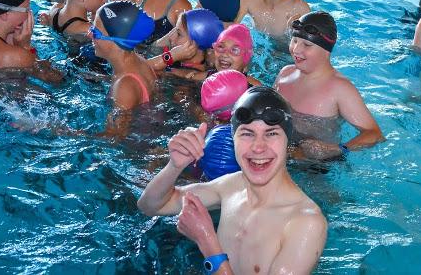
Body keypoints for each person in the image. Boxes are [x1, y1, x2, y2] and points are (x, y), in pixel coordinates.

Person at [137, 86, 327, 274]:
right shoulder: (231, 186)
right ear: (233, 139)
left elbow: (209, 246)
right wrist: (174, 166)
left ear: (288, 142)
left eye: (271, 133)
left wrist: (207, 241)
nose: (258, 147)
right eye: (247, 133)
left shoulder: (306, 223)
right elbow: (150, 206)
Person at [274, 11, 384, 160]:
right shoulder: (285, 73)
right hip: (278, 152)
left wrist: (337, 149)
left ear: (326, 50)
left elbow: (375, 134)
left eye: (307, 44)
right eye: (294, 41)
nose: (296, 49)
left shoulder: (340, 89)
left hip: (316, 165)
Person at [90, 1, 156, 110]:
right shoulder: (139, 61)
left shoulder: (124, 87)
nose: (89, 35)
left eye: (95, 33)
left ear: (117, 42)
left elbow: (118, 123)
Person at [148, 8, 223, 81]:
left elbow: (143, 68)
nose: (170, 37)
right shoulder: (180, 63)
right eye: (175, 30)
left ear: (196, 44)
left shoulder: (188, 77)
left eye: (179, 34)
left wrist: (172, 56)